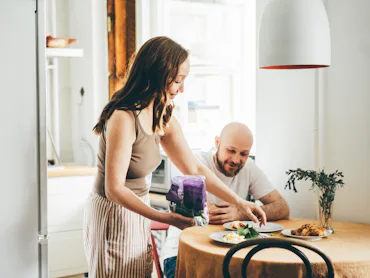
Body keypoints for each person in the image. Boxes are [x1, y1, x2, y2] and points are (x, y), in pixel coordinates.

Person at [83, 37, 266, 278]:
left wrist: (240, 202)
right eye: (178, 80)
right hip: (113, 213)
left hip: (138, 209)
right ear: (157, 75)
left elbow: (194, 168)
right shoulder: (123, 117)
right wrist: (166, 218)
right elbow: (114, 189)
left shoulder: (162, 116)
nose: (182, 89)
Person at [162, 122, 290, 278]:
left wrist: (240, 213)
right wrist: (244, 210)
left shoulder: (248, 167)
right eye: (231, 151)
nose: (236, 160)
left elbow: (283, 207)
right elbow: (201, 215)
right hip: (182, 256)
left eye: (243, 154)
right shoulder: (193, 162)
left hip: (232, 256)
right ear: (217, 143)